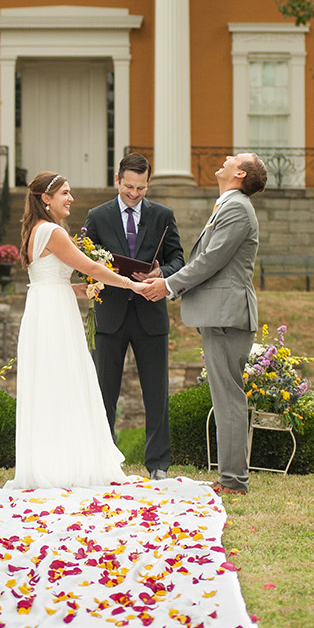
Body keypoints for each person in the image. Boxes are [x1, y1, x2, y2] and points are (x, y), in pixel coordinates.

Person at [137, 153, 267, 496]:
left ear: (239, 173)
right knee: (226, 397)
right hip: (221, 314)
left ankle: (233, 480)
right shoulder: (229, 205)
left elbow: (210, 260)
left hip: (228, 315)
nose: (225, 158)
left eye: (233, 158)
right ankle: (231, 478)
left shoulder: (238, 208)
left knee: (228, 399)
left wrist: (167, 284)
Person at [9, 171, 143, 490]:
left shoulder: (33, 230)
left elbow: (49, 278)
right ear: (46, 198)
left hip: (47, 303)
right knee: (64, 377)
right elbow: (91, 266)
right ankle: (66, 462)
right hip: (53, 312)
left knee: (54, 380)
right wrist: (130, 283)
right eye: (65, 193)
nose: (71, 199)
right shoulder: (52, 231)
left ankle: (54, 459)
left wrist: (79, 290)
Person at [80, 153, 185, 481]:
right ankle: (105, 462)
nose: (135, 193)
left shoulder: (163, 216)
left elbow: (178, 259)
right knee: (103, 393)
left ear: (147, 183)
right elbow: (85, 260)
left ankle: (158, 465)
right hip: (109, 315)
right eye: (129, 186)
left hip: (150, 315)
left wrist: (161, 273)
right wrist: (104, 273)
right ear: (117, 180)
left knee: (156, 394)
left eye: (141, 188)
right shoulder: (97, 216)